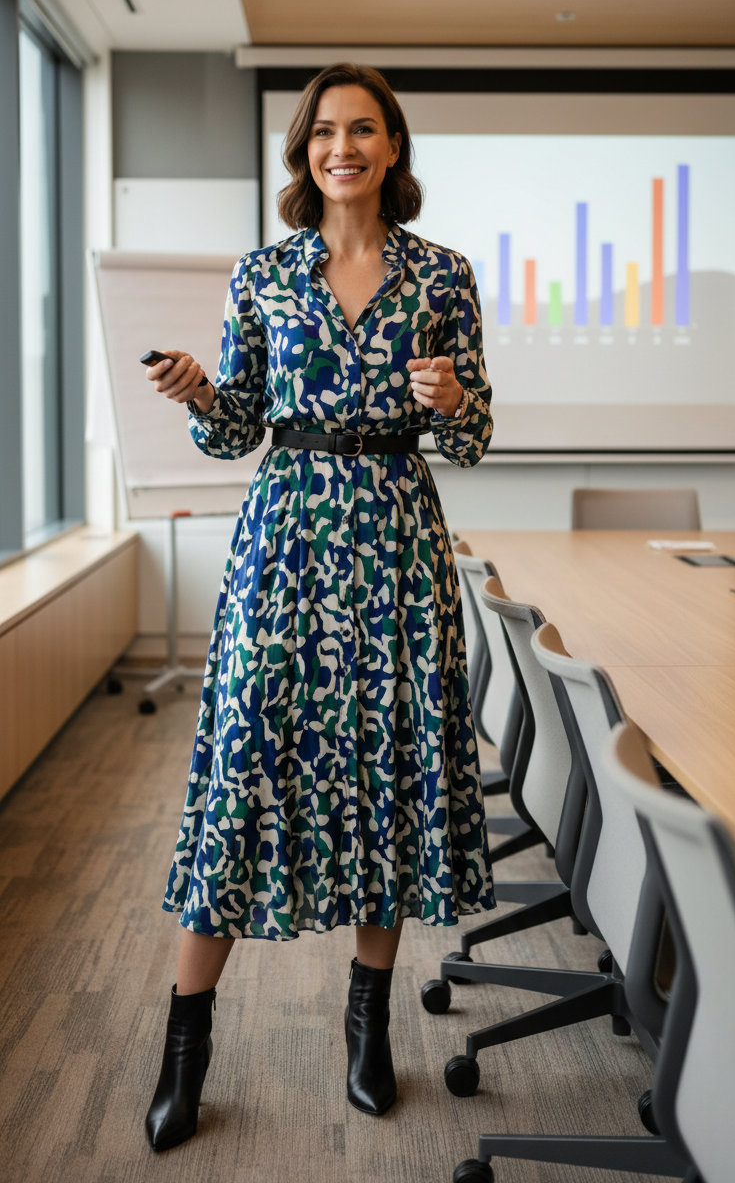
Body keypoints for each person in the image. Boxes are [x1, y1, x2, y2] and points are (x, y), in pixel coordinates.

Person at [143, 63, 495, 1152]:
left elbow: (474, 435)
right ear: (303, 153)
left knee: (385, 773)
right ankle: (184, 1053)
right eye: (324, 131)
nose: (342, 146)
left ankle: (367, 1030)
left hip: (394, 543)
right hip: (286, 543)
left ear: (393, 148)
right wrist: (203, 390)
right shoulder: (265, 274)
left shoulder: (443, 276)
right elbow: (237, 424)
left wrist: (456, 400)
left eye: (364, 129)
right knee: (246, 771)